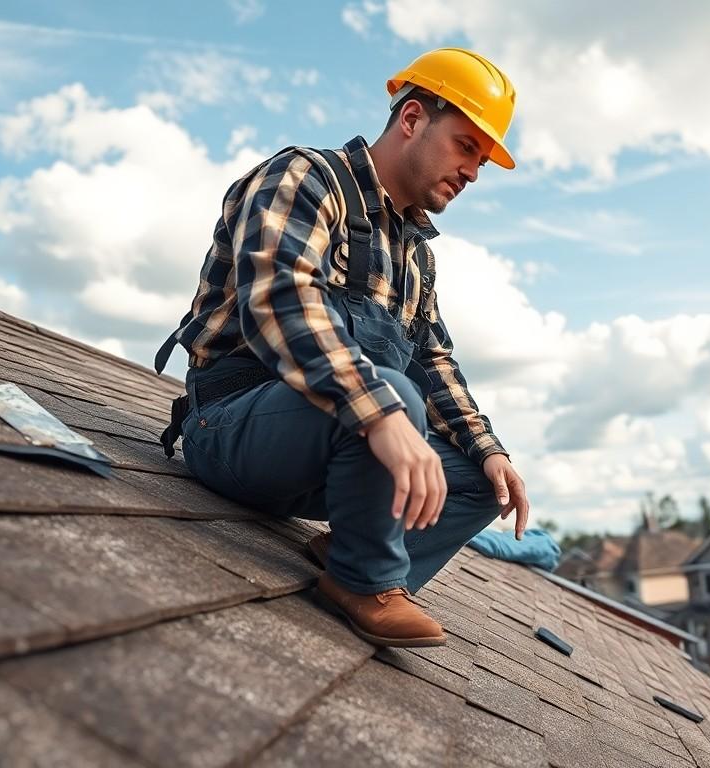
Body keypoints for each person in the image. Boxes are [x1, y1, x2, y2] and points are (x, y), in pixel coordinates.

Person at [154, 48, 529, 648]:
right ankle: (366, 581)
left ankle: (347, 548)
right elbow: (278, 297)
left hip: (336, 454)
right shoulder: (306, 178)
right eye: (466, 147)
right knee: (395, 394)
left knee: (483, 480)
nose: (473, 174)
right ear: (411, 119)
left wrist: (489, 450)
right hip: (231, 426)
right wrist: (382, 410)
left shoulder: (415, 255)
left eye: (482, 160)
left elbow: (433, 359)